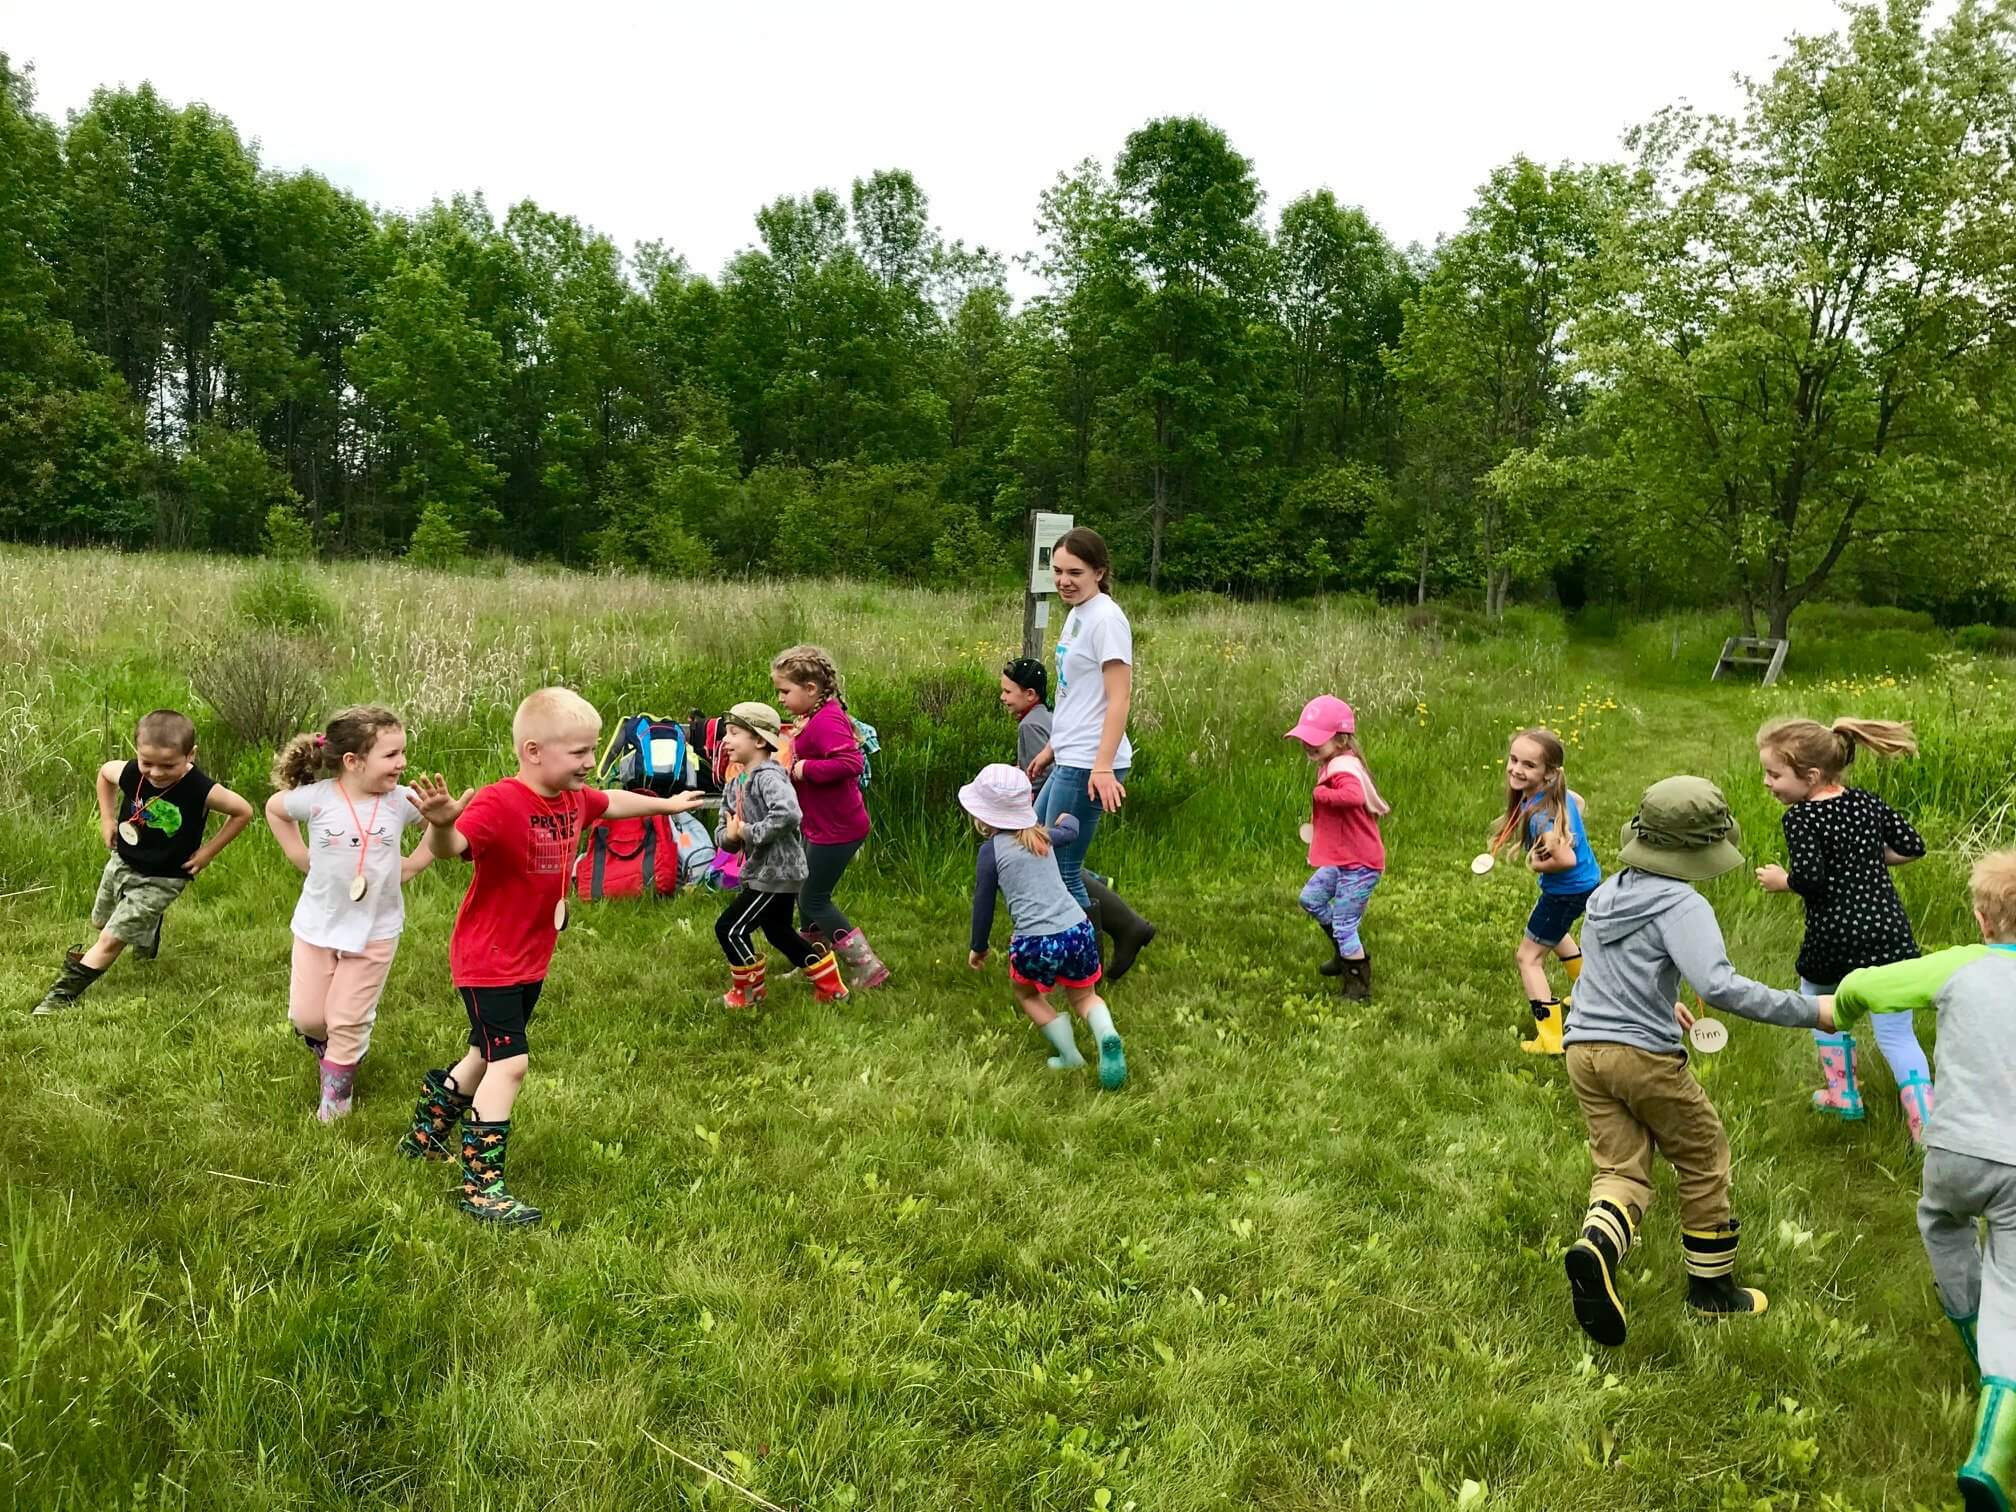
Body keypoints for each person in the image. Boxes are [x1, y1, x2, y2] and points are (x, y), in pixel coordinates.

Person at [398, 688, 707, 1226]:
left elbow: (612, 803)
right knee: (510, 1063)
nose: (591, 762)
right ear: (534, 750)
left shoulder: (574, 798)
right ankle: (481, 1186)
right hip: (488, 957)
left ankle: (424, 1137)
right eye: (579, 753)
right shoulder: (500, 801)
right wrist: (443, 822)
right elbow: (450, 850)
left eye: (592, 750)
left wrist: (667, 805)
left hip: (530, 956)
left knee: (483, 1053)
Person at [1559, 776, 1835, 1348]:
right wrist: (1812, 1011)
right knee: (1703, 1152)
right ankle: (1711, 1290)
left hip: (1583, 1049)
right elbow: (1722, 985)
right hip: (1642, 1057)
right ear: (1698, 851)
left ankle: (1597, 1247)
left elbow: (1614, 970)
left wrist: (1666, 1001)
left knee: (1620, 1168)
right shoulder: (1683, 903)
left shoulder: (1607, 893)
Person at [1825, 851, 2016, 1510]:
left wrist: (1840, 1009)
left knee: (1943, 1225)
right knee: (2014, 1285)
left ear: (1981, 917)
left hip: (1957, 1150)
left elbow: (1867, 986)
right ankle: (1997, 1425)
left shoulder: (1959, 963)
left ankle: (1972, 1339)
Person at [1754, 716, 1932, 1139]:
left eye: (1774, 774)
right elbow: (1912, 846)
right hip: (1888, 933)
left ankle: (1842, 1093)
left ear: (1811, 776)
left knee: (1818, 1002)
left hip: (1834, 936)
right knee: (1897, 1033)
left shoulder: (1800, 818)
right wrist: (1866, 859)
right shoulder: (1866, 802)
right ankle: (1926, 1125)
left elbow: (1811, 879)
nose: (1767, 782)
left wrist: (1784, 882)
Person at [265, 707, 434, 1122]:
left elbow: (440, 817)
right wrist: (297, 854)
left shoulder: (401, 801)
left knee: (347, 1018)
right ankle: (332, 1048)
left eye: (402, 752)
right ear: (353, 762)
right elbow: (275, 808)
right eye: (392, 754)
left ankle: (336, 1102)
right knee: (307, 1017)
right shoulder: (318, 799)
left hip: (376, 930)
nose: (402, 762)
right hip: (316, 925)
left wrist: (417, 861)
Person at [33, 709, 254, 1015]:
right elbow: (104, 774)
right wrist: (107, 820)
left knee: (110, 939)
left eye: (168, 765)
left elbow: (243, 811)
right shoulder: (132, 772)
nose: (156, 773)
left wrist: (206, 853)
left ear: (190, 755)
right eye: (147, 762)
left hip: (164, 877)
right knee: (101, 922)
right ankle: (148, 928)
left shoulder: (201, 788)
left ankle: (60, 996)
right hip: (122, 861)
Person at [1026, 528, 1157, 982]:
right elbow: (1076, 694)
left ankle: (1088, 965)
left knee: (1059, 865)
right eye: (1058, 571)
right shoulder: (1079, 613)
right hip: (1072, 752)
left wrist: (1101, 766)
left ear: (1099, 572)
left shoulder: (1106, 619)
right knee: (1038, 849)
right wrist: (1050, 746)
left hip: (1091, 762)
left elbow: (1118, 698)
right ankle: (1129, 928)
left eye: (1075, 573)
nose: (1064, 580)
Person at [963, 763, 1126, 1090]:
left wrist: (979, 946)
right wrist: (1068, 817)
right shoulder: (1042, 835)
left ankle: (1069, 1056)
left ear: (983, 816)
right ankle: (1107, 1033)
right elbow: (1071, 831)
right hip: (1078, 930)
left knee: (1027, 994)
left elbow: (983, 906)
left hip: (1034, 941)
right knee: (1085, 998)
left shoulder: (989, 853)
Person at [714, 702, 850, 1011]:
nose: (725, 740)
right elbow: (725, 828)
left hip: (778, 872)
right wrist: (731, 837)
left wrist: (748, 832)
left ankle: (749, 993)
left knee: (730, 928)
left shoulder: (769, 777)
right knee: (778, 932)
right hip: (761, 871)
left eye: (734, 733)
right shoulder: (735, 783)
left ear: (759, 740)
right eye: (726, 733)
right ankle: (831, 987)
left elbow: (788, 814)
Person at [773, 644, 888, 989]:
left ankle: (866, 966)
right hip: (821, 824)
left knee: (813, 898)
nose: (780, 698)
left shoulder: (829, 720)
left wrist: (806, 769)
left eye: (785, 691)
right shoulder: (815, 717)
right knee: (804, 892)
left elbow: (852, 762)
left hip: (840, 828)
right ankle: (814, 962)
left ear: (811, 689)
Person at [1492, 728, 1601, 1056]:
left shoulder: (1542, 818)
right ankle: (1589, 996)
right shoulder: (1558, 795)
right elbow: (1578, 803)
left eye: (1528, 765)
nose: (1516, 769)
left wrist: (1536, 864)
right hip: (1585, 884)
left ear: (1549, 774)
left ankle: (1551, 1038)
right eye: (1513, 760)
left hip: (1566, 890)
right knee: (1556, 935)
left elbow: (1565, 859)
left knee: (1529, 957)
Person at [1284, 695, 1389, 999]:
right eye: (1305, 738)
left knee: (1344, 923)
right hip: (1343, 858)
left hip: (1361, 863)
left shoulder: (1343, 769)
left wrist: (1322, 796)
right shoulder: (1333, 762)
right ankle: (1345, 952)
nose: (1307, 744)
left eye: (1316, 739)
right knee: (1311, 898)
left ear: (1341, 739)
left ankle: (1358, 987)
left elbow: (1353, 797)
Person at [1002, 657, 1052, 775]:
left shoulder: (1029, 725)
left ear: (1030, 694)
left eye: (1008, 692)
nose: (1002, 697)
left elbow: (1040, 774)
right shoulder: (1045, 714)